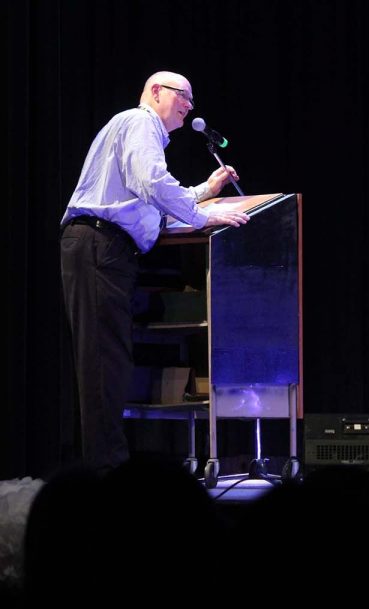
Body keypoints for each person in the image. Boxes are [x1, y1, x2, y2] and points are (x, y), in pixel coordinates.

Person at [60, 71, 250, 473]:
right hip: (99, 246)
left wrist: (205, 191)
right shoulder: (139, 121)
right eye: (185, 96)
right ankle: (105, 474)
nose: (189, 106)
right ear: (156, 92)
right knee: (103, 363)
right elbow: (152, 184)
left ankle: (105, 468)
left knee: (109, 360)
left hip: (104, 249)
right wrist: (200, 215)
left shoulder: (138, 133)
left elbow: (151, 197)